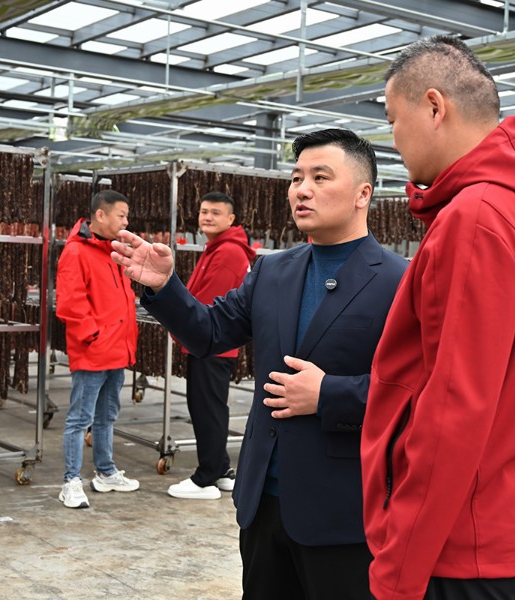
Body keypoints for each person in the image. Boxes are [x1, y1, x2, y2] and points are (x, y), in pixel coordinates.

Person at [111, 129, 407, 599]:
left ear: (362, 194)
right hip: (263, 503)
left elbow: (420, 391)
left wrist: (328, 394)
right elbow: (209, 333)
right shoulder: (273, 270)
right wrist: (165, 287)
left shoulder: (399, 281)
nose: (302, 190)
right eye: (296, 178)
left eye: (320, 177)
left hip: (344, 511)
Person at [361, 35, 515, 599]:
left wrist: (399, 570)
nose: (393, 139)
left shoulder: (476, 216)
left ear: (434, 106)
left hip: (458, 549)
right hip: (507, 527)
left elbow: (455, 407)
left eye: (393, 119)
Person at [168, 191, 257, 500]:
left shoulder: (228, 252)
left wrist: (183, 328)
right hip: (210, 342)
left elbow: (208, 302)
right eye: (204, 211)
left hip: (211, 342)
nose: (207, 217)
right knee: (211, 408)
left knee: (207, 409)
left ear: (231, 219)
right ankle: (220, 469)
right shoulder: (218, 248)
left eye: (215, 213)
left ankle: (205, 478)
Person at [56, 190, 140, 509]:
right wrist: (94, 337)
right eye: (121, 215)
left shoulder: (113, 251)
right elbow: (71, 303)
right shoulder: (77, 251)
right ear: (101, 215)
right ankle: (71, 481)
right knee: (80, 419)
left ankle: (105, 472)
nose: (126, 221)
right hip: (93, 351)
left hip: (116, 349)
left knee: (107, 416)